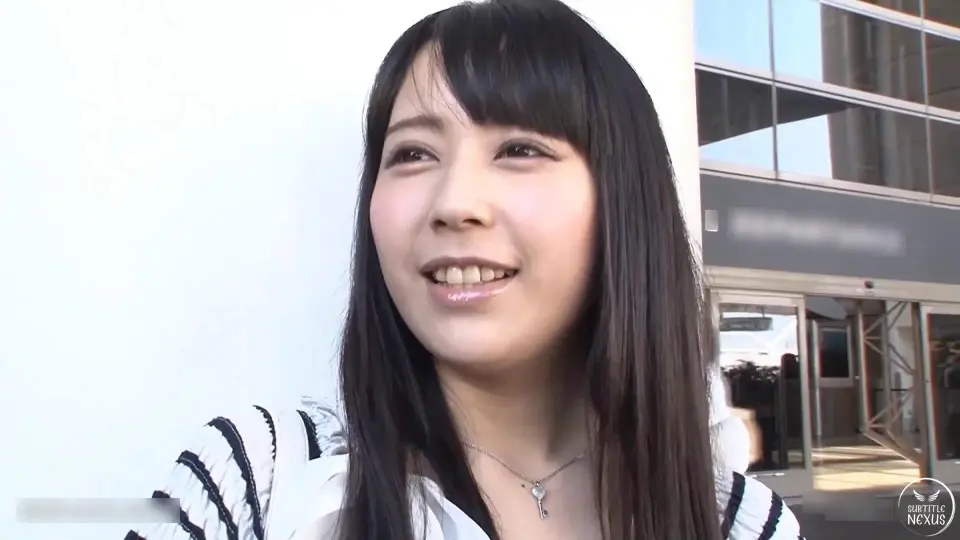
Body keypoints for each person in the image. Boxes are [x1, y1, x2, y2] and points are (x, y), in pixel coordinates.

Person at [125, 1, 804, 538]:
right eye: (413, 154)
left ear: (623, 199)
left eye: (519, 149)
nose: (453, 204)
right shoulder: (260, 482)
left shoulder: (741, 522)